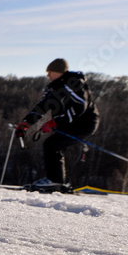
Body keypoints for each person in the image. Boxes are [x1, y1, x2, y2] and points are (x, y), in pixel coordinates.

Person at [15, 58, 100, 190]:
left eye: (50, 72)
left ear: (59, 72)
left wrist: (54, 122)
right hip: (70, 122)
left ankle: (55, 181)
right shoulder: (55, 87)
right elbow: (42, 107)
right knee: (52, 145)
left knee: (52, 144)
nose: (48, 75)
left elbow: (79, 108)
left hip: (85, 123)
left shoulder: (73, 83)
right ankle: (56, 181)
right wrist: (26, 123)